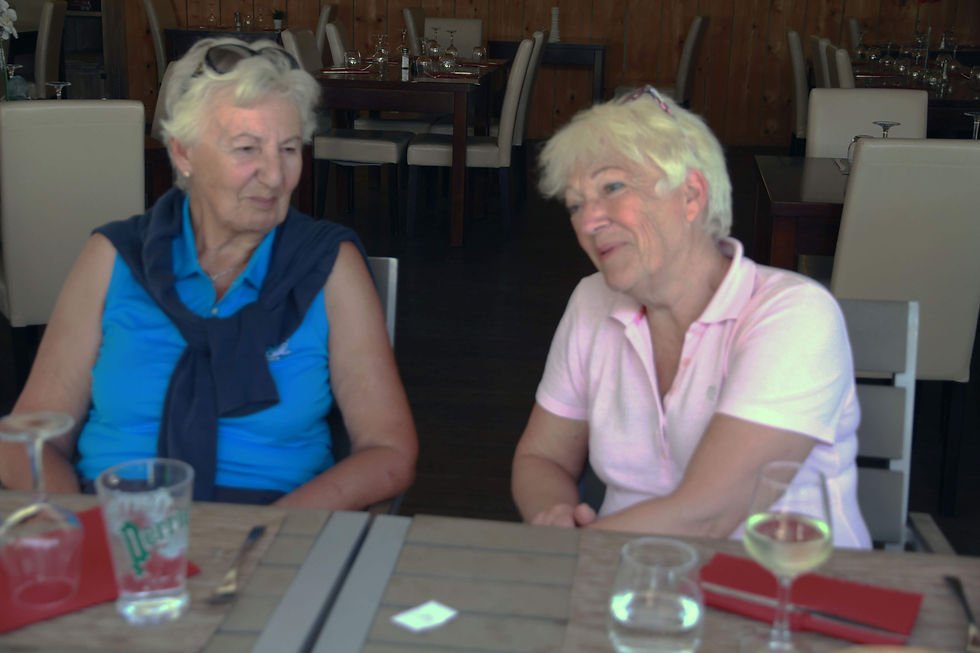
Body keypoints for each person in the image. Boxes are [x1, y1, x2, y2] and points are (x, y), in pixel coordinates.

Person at [0, 38, 418, 509]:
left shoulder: (326, 265)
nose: (275, 175)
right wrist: (85, 529)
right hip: (115, 521)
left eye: (288, 148)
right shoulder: (114, 258)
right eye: (247, 148)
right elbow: (24, 438)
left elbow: (389, 451)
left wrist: (270, 532)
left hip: (276, 525)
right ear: (184, 154)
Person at [511, 86, 870, 548]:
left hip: (784, 581)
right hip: (624, 577)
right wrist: (554, 519)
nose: (588, 222)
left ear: (691, 194)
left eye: (612, 188)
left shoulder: (793, 315)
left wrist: (580, 548)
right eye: (576, 204)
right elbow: (542, 459)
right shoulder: (591, 302)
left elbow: (708, 515)